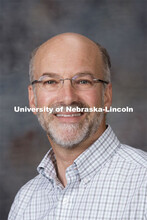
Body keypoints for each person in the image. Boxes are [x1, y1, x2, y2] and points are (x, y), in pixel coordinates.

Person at [8, 33, 147, 220]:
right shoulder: (26, 201)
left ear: (106, 96)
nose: (67, 97)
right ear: (33, 99)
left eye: (83, 81)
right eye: (50, 82)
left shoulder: (143, 183)